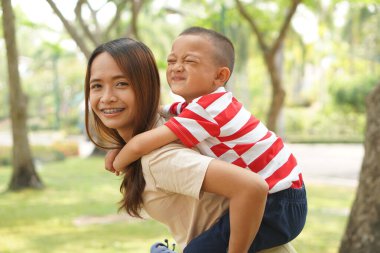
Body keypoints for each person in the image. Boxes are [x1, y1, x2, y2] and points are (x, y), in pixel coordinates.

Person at [85, 37, 299, 253]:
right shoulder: (181, 119)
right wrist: (122, 146)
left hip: (281, 199)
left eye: (121, 83)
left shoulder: (160, 157)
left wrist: (122, 157)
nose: (107, 97)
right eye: (96, 86)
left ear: (146, 87)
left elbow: (252, 187)